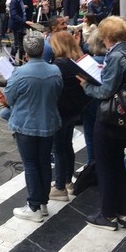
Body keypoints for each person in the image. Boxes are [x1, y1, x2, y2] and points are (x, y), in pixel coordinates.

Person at [78, 16, 126, 231]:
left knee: (106, 166)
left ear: (106, 37)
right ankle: (121, 212)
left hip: (111, 117)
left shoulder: (116, 57)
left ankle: (107, 215)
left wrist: (85, 86)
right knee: (118, 165)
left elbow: (105, 91)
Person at [4, 30, 63, 222]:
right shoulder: (55, 70)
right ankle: (42, 202)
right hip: (48, 122)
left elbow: (9, 98)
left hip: (26, 123)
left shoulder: (19, 73)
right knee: (44, 162)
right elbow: (58, 92)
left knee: (31, 165)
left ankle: (34, 206)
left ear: (26, 53)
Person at [48, 31, 90, 201]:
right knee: (66, 145)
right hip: (73, 110)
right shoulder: (75, 61)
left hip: (61, 111)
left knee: (59, 148)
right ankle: (66, 181)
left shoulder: (59, 64)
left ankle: (59, 187)